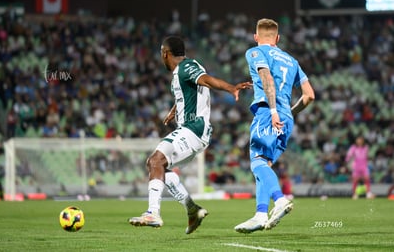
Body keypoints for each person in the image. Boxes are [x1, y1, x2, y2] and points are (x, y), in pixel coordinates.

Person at [129, 36, 252, 234]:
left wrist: (230, 87)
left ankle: (153, 212)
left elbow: (206, 80)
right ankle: (192, 209)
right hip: (191, 130)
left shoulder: (187, 67)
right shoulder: (181, 72)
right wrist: (174, 110)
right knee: (158, 167)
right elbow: (189, 93)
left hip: (193, 129)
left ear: (165, 53)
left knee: (156, 160)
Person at [234, 18, 315, 233]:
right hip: (286, 117)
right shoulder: (292, 60)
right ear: (277, 38)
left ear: (255, 37)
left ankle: (280, 200)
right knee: (264, 164)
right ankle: (260, 214)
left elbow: (266, 77)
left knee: (256, 161)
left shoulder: (255, 52)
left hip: (268, 112)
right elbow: (309, 96)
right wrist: (288, 112)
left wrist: (272, 111)